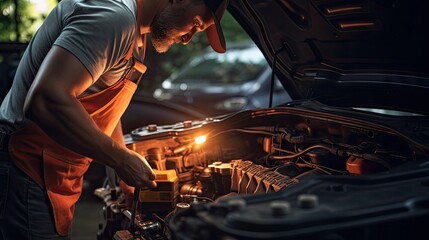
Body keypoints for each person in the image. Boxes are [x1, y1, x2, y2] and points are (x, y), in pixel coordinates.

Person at [0, 0, 229, 238]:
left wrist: (123, 174)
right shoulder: (113, 18)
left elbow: (106, 110)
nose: (187, 39)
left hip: (51, 174)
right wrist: (121, 160)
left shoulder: (135, 36)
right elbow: (46, 99)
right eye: (195, 25)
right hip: (26, 166)